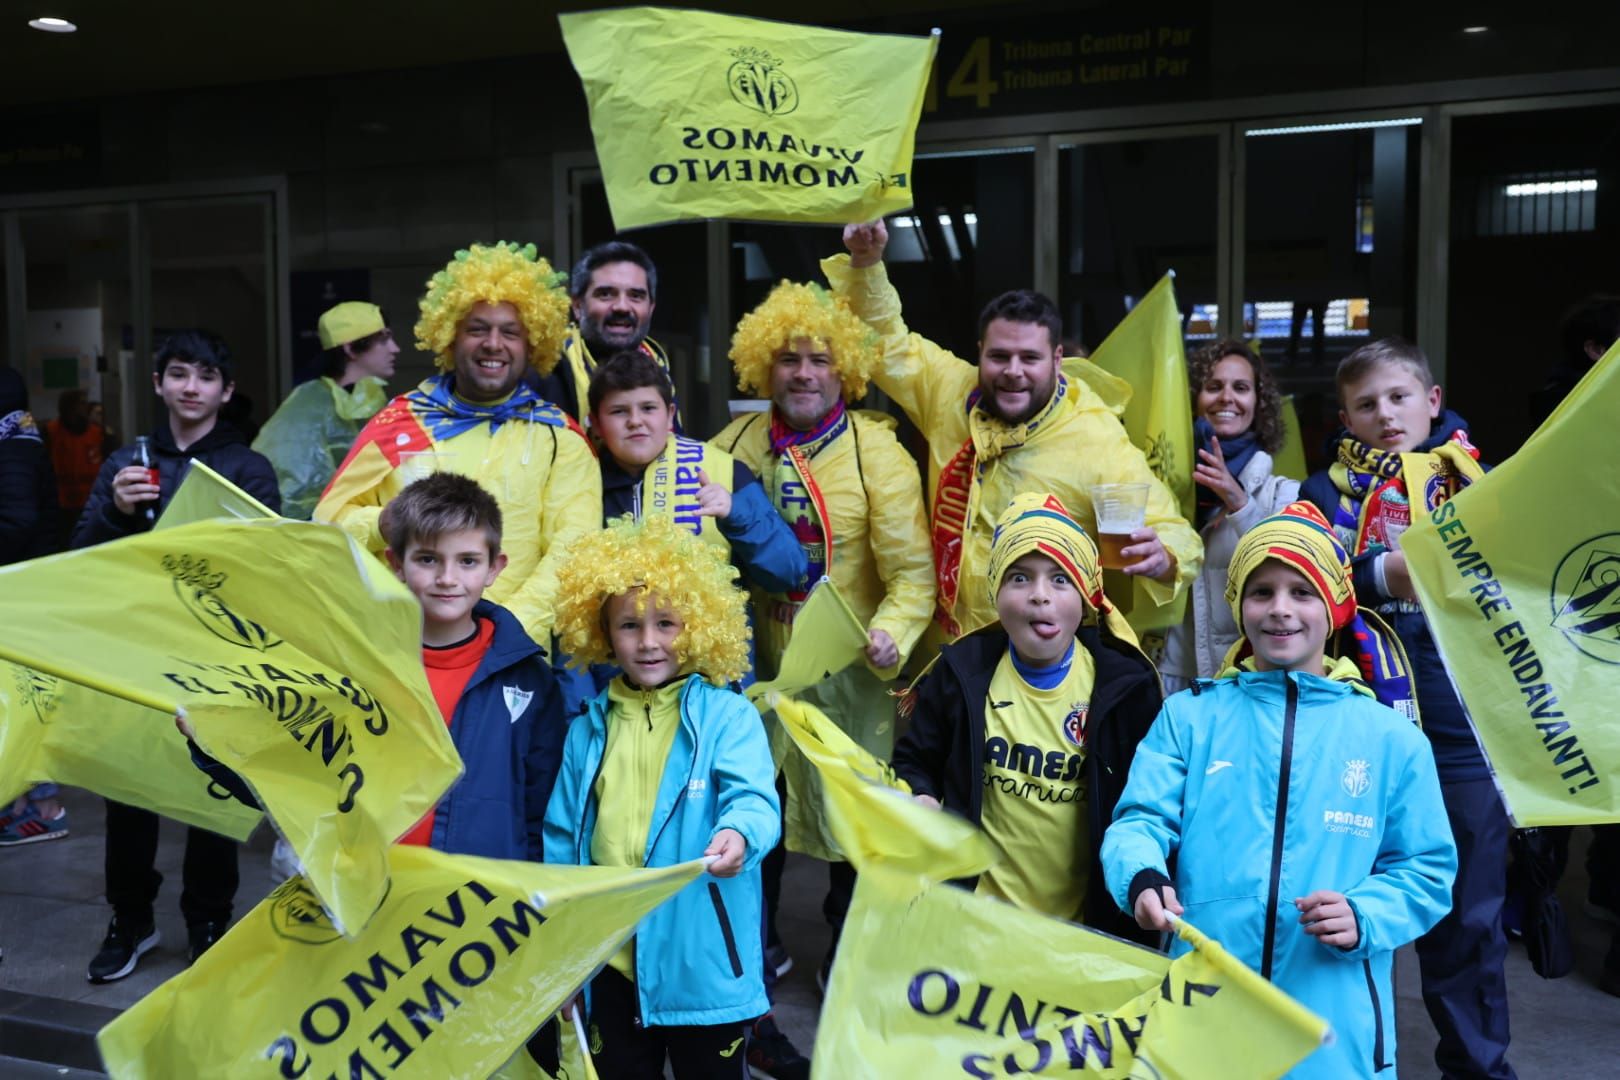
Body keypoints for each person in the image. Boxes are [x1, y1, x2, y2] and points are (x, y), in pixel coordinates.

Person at [1102, 501, 1457, 1080]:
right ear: (1238, 603)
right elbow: (1138, 823)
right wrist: (1140, 877)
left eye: (1303, 591)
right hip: (1202, 1019)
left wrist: (1365, 914)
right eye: (1261, 591)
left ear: (1335, 606)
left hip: (1332, 1038)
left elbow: (1426, 869)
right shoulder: (1189, 718)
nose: (1280, 610)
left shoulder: (1391, 738)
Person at [713, 280, 934, 999]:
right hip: (758, 676)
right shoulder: (734, 444)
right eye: (786, 359)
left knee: (851, 826)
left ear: (845, 370)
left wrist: (891, 636)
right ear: (760, 368)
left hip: (853, 682)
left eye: (818, 360)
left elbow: (912, 577)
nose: (802, 373)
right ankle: (758, 944)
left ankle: (847, 951)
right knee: (754, 807)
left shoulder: (879, 453)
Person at [827, 220, 1200, 642]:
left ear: (1057, 359)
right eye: (1000, 356)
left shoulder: (1095, 439)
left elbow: (1173, 530)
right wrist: (867, 262)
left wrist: (1163, 556)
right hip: (943, 656)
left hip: (1039, 663)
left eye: (1030, 358)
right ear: (980, 353)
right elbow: (885, 342)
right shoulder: (950, 388)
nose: (1013, 372)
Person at [1298, 338, 1509, 1078]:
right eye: (1365, 404)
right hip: (1361, 735)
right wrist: (1380, 573)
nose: (1385, 415)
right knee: (1344, 915)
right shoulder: (1321, 493)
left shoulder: (1483, 481)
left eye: (1398, 397)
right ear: (1345, 416)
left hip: (1464, 737)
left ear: (1432, 398)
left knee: (1469, 924)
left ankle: (1479, 1070)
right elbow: (1297, 575)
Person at [188, 473, 565, 863]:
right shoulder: (352, 665)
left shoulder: (530, 681)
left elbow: (544, 813)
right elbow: (295, 783)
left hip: (481, 905)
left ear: (494, 568)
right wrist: (215, 746)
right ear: (396, 563)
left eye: (467, 561)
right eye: (427, 559)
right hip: (369, 894)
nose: (447, 578)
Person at [74, 329, 280, 982]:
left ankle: (207, 919)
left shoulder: (249, 468)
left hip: (214, 658)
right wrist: (114, 509)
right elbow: (83, 553)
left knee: (211, 796)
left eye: (205, 377)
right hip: (136, 653)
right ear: (158, 384)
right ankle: (130, 919)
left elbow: (273, 570)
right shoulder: (124, 462)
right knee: (127, 793)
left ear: (226, 389)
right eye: (179, 375)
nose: (191, 388)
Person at [542, 514, 779, 1079]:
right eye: (628, 625)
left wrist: (739, 833)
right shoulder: (587, 728)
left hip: (704, 968)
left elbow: (755, 801)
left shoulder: (730, 717)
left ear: (699, 626)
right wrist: (562, 960)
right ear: (600, 633)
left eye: (667, 623)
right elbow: (561, 848)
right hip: (612, 971)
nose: (648, 642)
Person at [892, 493, 1162, 945]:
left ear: (1088, 597)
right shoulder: (960, 674)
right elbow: (915, 760)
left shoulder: (1126, 688)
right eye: (1020, 578)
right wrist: (920, 794)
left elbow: (1150, 806)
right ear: (995, 593)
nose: (1040, 595)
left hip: (1082, 936)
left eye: (1061, 579)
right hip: (975, 928)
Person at [315, 241, 601, 655]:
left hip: (514, 656)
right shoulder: (400, 424)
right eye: (477, 329)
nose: (493, 344)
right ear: (449, 337)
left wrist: (504, 634)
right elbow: (325, 528)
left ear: (533, 343)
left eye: (511, 332)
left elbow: (574, 550)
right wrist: (383, 524)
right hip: (401, 650)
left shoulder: (559, 439)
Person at [589, 349, 804, 603]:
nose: (635, 421)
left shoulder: (725, 471)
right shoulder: (583, 481)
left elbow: (789, 572)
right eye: (619, 411)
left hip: (712, 642)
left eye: (648, 408)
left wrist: (736, 514)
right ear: (597, 423)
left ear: (670, 416)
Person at [1161, 340, 1299, 691]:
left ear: (1259, 404)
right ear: (1192, 399)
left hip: (1248, 678)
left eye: (1240, 388)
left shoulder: (1284, 493)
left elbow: (1291, 573)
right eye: (1213, 387)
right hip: (1172, 675)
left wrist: (1239, 503)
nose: (1226, 397)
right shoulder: (1160, 485)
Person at [0, 365, 68, 847]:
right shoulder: (20, 438)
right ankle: (22, 804)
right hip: (24, 589)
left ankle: (43, 810)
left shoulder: (14, 449)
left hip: (18, 593)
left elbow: (17, 521)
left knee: (23, 703)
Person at [252, 301, 398, 519]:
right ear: (350, 348)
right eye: (383, 340)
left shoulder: (375, 400)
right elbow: (294, 489)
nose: (395, 348)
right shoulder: (308, 405)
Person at [540, 240, 675, 425]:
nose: (622, 307)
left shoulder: (659, 368)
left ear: (651, 308)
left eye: (635, 296)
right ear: (578, 306)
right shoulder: (546, 372)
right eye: (606, 294)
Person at [43, 387, 104, 532]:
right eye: (80, 403)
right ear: (67, 407)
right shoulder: (51, 432)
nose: (84, 407)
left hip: (90, 501)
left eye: (85, 403)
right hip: (60, 504)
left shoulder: (99, 433)